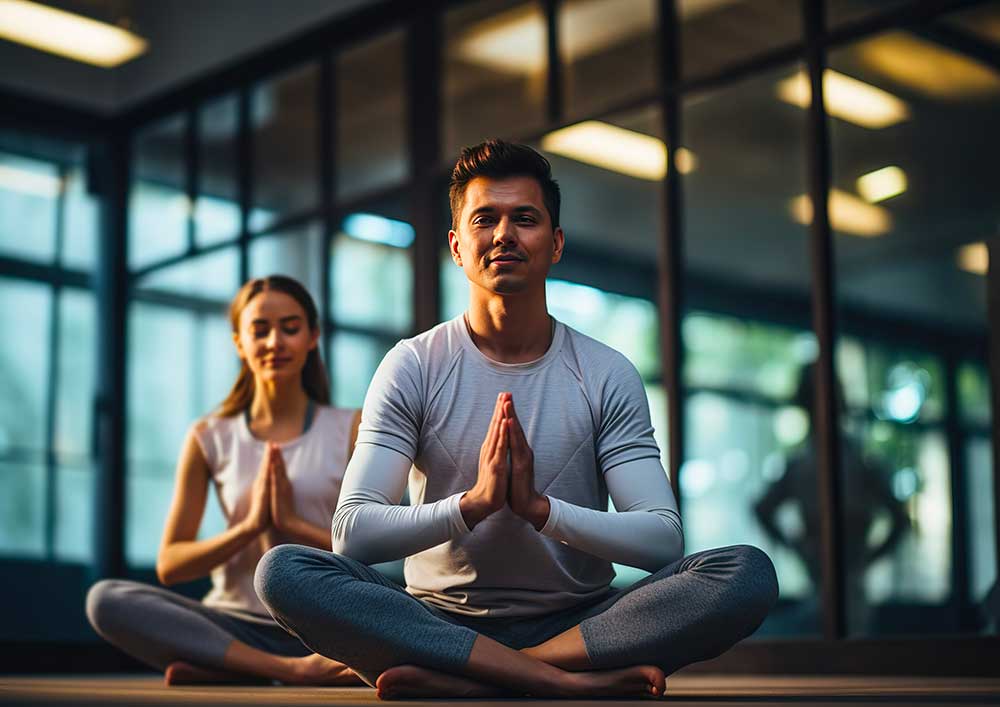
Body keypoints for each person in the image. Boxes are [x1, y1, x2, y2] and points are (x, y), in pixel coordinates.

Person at [255, 141, 779, 699]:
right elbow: (352, 534)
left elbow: (661, 539)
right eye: (485, 219)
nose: (504, 234)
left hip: (578, 622)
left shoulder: (605, 372)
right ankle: (553, 681)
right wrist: (472, 505)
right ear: (457, 246)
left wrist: (540, 510)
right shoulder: (413, 365)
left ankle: (490, 672)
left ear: (555, 244)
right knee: (284, 572)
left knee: (744, 574)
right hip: (437, 619)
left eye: (525, 219)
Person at [86, 275, 363, 686]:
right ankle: (282, 670)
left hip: (324, 626)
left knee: (406, 614)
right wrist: (249, 528)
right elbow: (170, 564)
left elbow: (369, 558)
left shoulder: (352, 428)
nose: (275, 342)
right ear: (239, 342)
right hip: (233, 625)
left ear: (312, 337)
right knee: (105, 600)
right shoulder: (208, 436)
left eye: (290, 328)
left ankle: (228, 668)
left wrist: (291, 525)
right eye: (260, 330)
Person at [755, 363, 908, 633]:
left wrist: (865, 559)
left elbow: (900, 520)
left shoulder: (858, 462)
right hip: (822, 590)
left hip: (850, 592)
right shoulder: (805, 464)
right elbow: (762, 509)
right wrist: (798, 548)